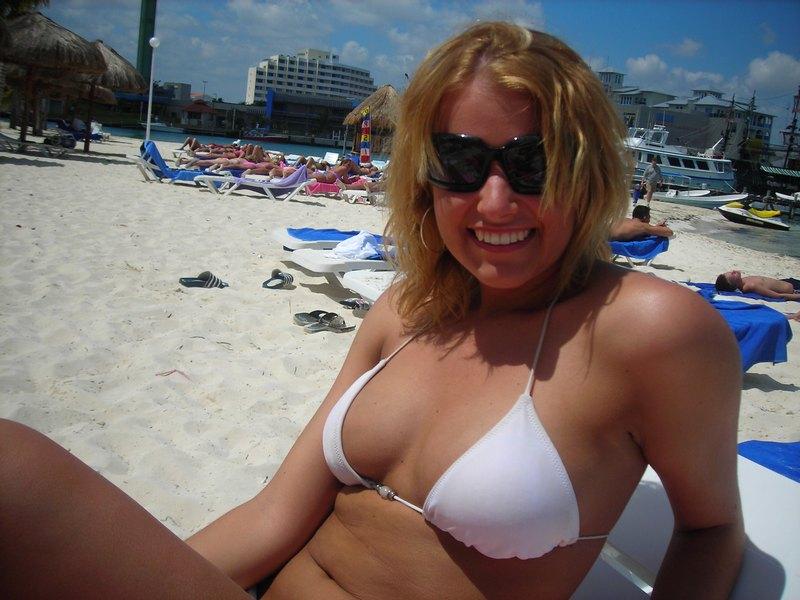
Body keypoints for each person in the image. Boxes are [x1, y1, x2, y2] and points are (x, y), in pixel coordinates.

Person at [0, 22, 744, 599]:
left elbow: (710, 530)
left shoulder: (652, 331)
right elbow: (275, 515)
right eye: (460, 163)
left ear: (587, 170)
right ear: (425, 176)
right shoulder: (409, 310)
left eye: (533, 165)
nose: (494, 202)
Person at [715, 270, 800, 301]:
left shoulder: (743, 280)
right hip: (794, 289)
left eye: (730, 272)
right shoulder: (751, 286)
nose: (733, 271)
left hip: (786, 282)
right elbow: (777, 296)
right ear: (735, 284)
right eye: (732, 274)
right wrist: (796, 295)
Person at [609, 205, 674, 241]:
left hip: (605, 239)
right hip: (608, 245)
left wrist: (656, 227)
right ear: (645, 217)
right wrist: (662, 227)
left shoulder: (624, 220)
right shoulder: (642, 226)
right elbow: (670, 232)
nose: (650, 218)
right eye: (649, 216)